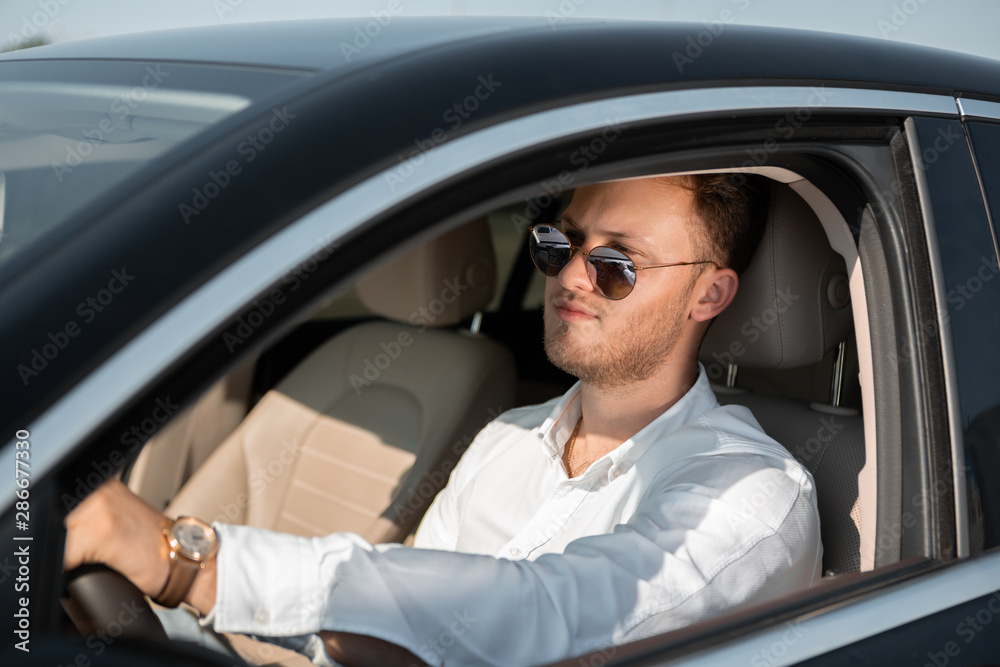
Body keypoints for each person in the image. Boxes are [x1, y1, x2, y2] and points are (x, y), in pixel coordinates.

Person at [64, 173, 822, 667]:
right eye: (560, 243)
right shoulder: (506, 438)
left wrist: (187, 560)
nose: (568, 274)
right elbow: (399, 637)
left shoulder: (750, 492)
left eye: (617, 264)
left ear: (710, 297)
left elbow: (552, 615)